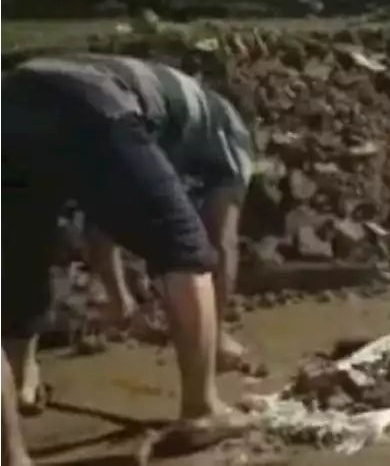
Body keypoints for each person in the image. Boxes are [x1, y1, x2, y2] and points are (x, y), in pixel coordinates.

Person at [0, 53, 254, 449]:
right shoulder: (231, 132)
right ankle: (203, 409)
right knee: (186, 250)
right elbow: (220, 241)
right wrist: (217, 339)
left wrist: (119, 299)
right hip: (87, 99)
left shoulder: (164, 116)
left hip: (12, 99)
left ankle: (19, 384)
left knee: (23, 253)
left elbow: (104, 214)